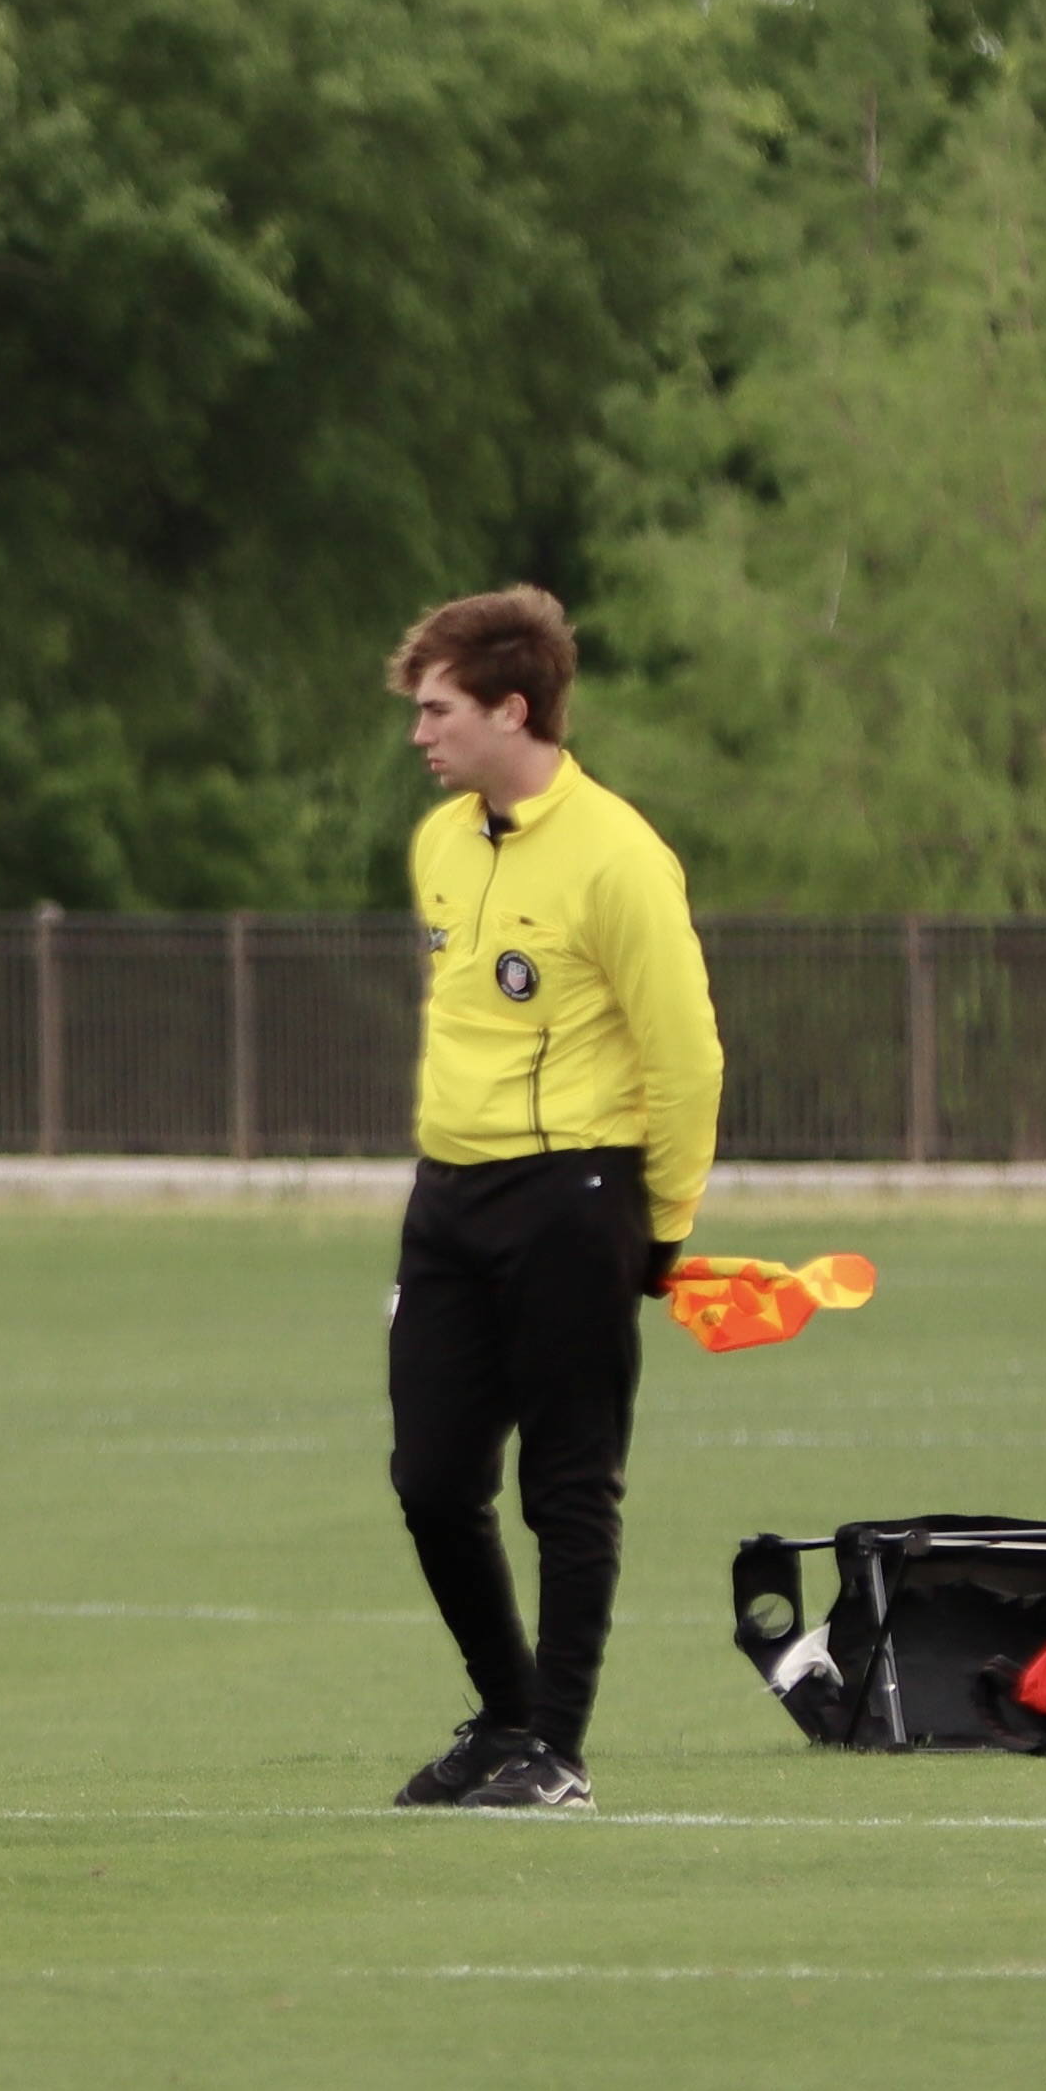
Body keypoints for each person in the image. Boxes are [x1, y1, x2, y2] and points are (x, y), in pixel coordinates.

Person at [381, 586, 724, 1812]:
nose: (420, 733)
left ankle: (558, 1752)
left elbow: (687, 1057)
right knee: (430, 1478)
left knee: (568, 1484)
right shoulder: (439, 842)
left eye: (438, 709)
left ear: (511, 708)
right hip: (448, 1196)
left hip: (577, 1193)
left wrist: (663, 1225)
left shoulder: (619, 855)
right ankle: (508, 1716)